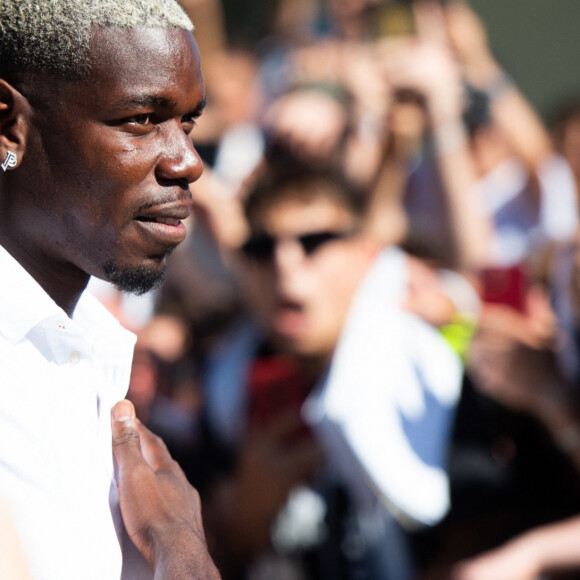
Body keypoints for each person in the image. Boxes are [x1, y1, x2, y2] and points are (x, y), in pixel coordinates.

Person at [0, 1, 219, 578]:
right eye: (143, 119)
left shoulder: (92, 348)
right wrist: (184, 559)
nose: (188, 162)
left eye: (188, 122)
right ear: (7, 124)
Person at [195, 158, 462, 579]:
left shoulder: (432, 371)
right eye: (262, 248)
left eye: (314, 241)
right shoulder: (229, 385)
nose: (285, 264)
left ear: (366, 255)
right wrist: (245, 523)